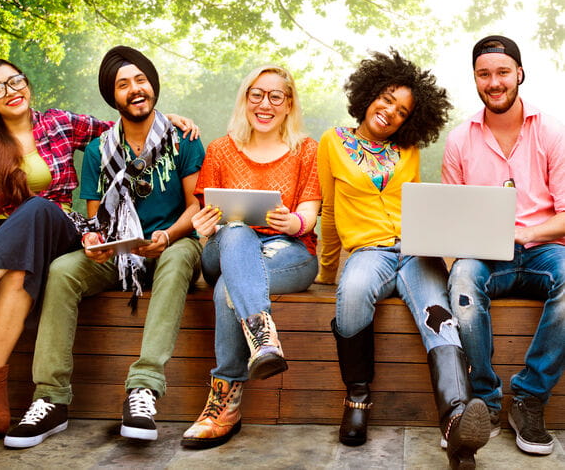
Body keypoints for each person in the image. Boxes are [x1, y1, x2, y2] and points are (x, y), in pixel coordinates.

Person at [3, 46, 204, 448]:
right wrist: (94, 242)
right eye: (123, 84)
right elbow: (98, 220)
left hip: (172, 245)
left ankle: (143, 389)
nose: (135, 90)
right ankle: (51, 398)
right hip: (120, 255)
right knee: (62, 270)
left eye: (141, 80)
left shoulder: (184, 139)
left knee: (181, 255)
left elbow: (195, 205)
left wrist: (166, 235)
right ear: (114, 97)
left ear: (153, 86)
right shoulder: (99, 150)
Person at [318, 50, 490, 470]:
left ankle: (454, 420)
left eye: (402, 111)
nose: (391, 112)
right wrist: (326, 270)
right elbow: (327, 210)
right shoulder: (332, 142)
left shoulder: (408, 150)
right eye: (387, 99)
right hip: (368, 252)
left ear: (409, 120)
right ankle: (357, 396)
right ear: (370, 94)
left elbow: (418, 206)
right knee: (354, 291)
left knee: (439, 315)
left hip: (415, 251)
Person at [0, 59, 112, 439]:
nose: (11, 91)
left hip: (59, 226)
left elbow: (123, 132)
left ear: (27, 85)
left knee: (37, 207)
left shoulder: (59, 122)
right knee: (17, 265)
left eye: (15, 81)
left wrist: (170, 120)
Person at [180, 64, 321, 449]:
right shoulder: (221, 149)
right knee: (236, 230)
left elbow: (309, 212)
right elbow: (202, 213)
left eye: (276, 96)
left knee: (232, 283)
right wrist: (204, 226)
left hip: (288, 254)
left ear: (289, 104)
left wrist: (293, 222)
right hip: (223, 249)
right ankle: (262, 337)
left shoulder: (306, 150)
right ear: (245, 99)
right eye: (256, 94)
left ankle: (224, 403)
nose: (265, 104)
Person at [443, 35, 565, 456]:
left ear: (519, 74)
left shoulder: (551, 132)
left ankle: (529, 400)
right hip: (484, 257)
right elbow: (449, 217)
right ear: (475, 80)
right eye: (484, 74)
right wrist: (459, 246)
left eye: (502, 73)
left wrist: (528, 234)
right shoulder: (459, 140)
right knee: (461, 277)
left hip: (541, 251)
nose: (494, 82)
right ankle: (485, 401)